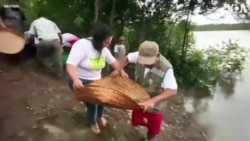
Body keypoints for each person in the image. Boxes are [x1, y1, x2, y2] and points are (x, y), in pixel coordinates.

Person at [66, 23, 126, 134]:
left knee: (103, 100)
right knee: (93, 103)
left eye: (109, 43)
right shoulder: (82, 45)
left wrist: (121, 71)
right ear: (98, 40)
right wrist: (75, 79)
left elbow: (114, 62)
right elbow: (70, 65)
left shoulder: (104, 50)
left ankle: (99, 117)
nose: (107, 45)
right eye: (106, 42)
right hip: (80, 81)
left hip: (97, 81)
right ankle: (93, 122)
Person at [119, 40, 178, 140]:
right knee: (135, 122)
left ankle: (149, 138)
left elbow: (172, 90)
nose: (146, 64)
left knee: (153, 130)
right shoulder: (139, 54)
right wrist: (119, 69)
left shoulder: (166, 68)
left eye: (149, 62)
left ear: (157, 55)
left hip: (156, 105)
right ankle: (147, 123)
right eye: (144, 61)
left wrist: (152, 101)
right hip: (139, 100)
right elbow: (126, 58)